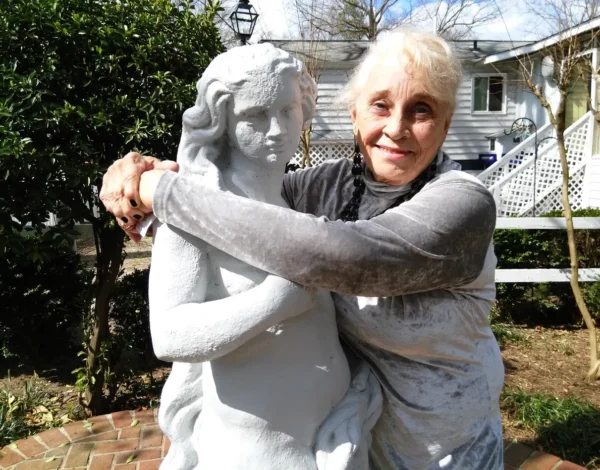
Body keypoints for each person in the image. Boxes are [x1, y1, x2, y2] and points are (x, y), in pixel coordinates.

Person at [101, 30, 504, 470]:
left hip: (446, 447)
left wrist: (166, 193)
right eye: (381, 105)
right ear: (353, 113)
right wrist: (142, 180)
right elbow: (238, 213)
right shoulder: (317, 188)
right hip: (348, 439)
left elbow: (351, 258)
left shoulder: (464, 204)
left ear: (446, 124)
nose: (396, 127)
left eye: (421, 109)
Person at [126, 43, 381, 470]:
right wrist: (276, 299)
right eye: (254, 116)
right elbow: (169, 335)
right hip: (254, 451)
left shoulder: (296, 200)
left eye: (286, 109)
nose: (277, 129)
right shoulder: (195, 213)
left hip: (331, 436)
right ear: (223, 121)